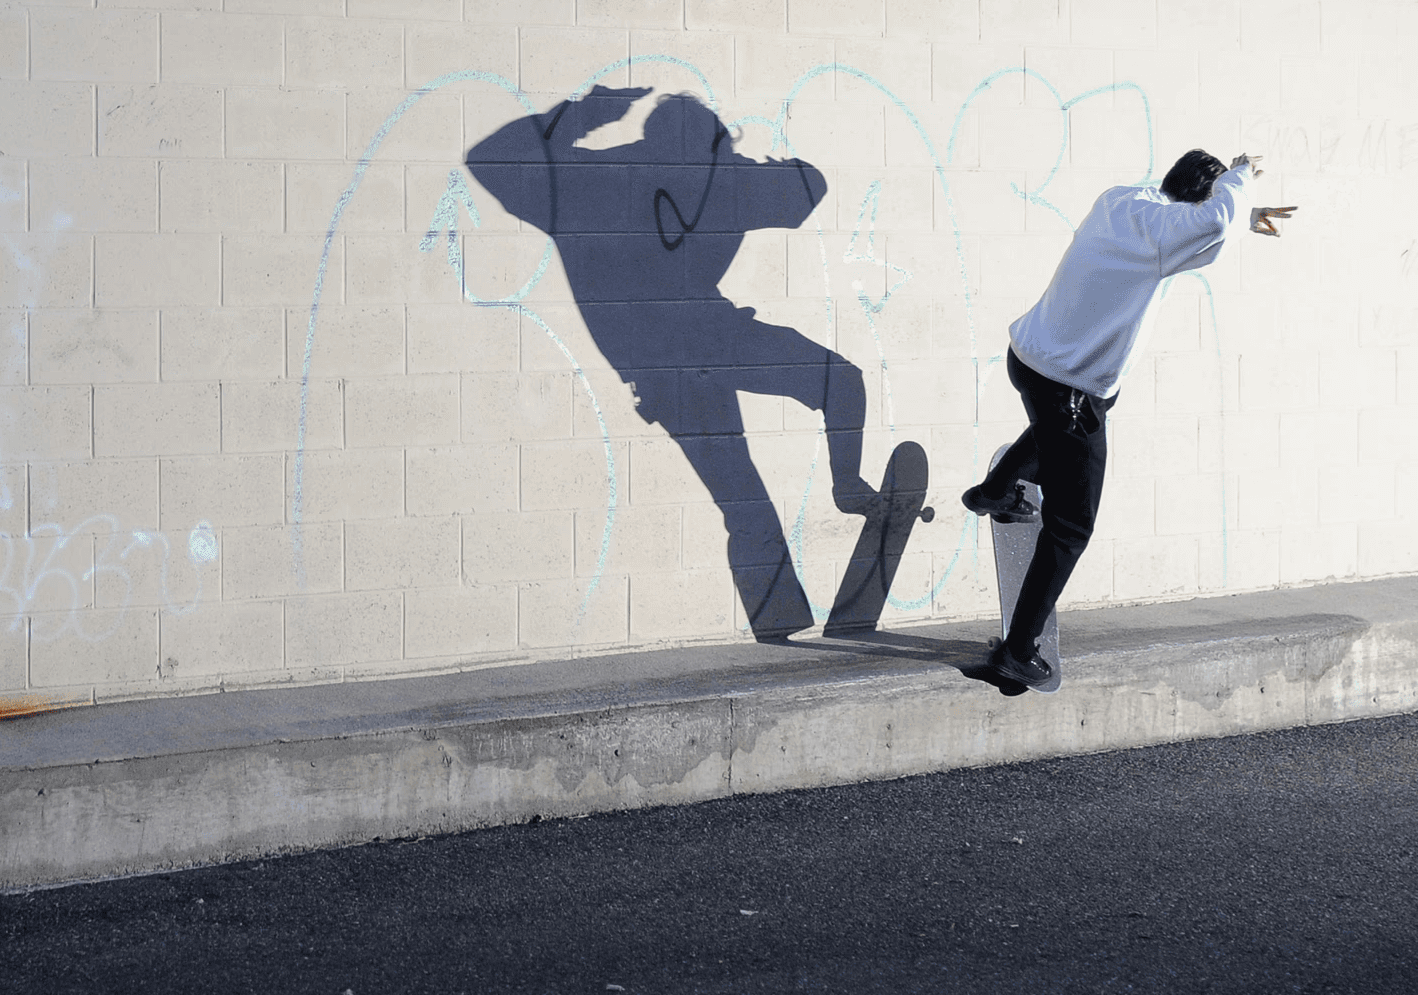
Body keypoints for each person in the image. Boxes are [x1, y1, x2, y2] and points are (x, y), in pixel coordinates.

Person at [467, 87, 884, 641]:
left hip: (662, 366)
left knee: (743, 499)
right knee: (840, 383)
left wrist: (589, 111)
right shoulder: (722, 180)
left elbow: (488, 159)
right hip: (710, 341)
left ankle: (781, 618)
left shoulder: (587, 181)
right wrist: (747, 162)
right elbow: (809, 187)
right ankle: (847, 485)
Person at [961, 149, 1294, 690]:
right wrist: (1242, 177)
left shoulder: (1120, 202)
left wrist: (1243, 215)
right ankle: (1018, 652)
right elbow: (1208, 223)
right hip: (1069, 389)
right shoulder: (1164, 236)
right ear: (1202, 198)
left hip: (1027, 360)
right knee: (1070, 525)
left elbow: (1200, 224)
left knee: (1077, 419)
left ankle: (995, 491)